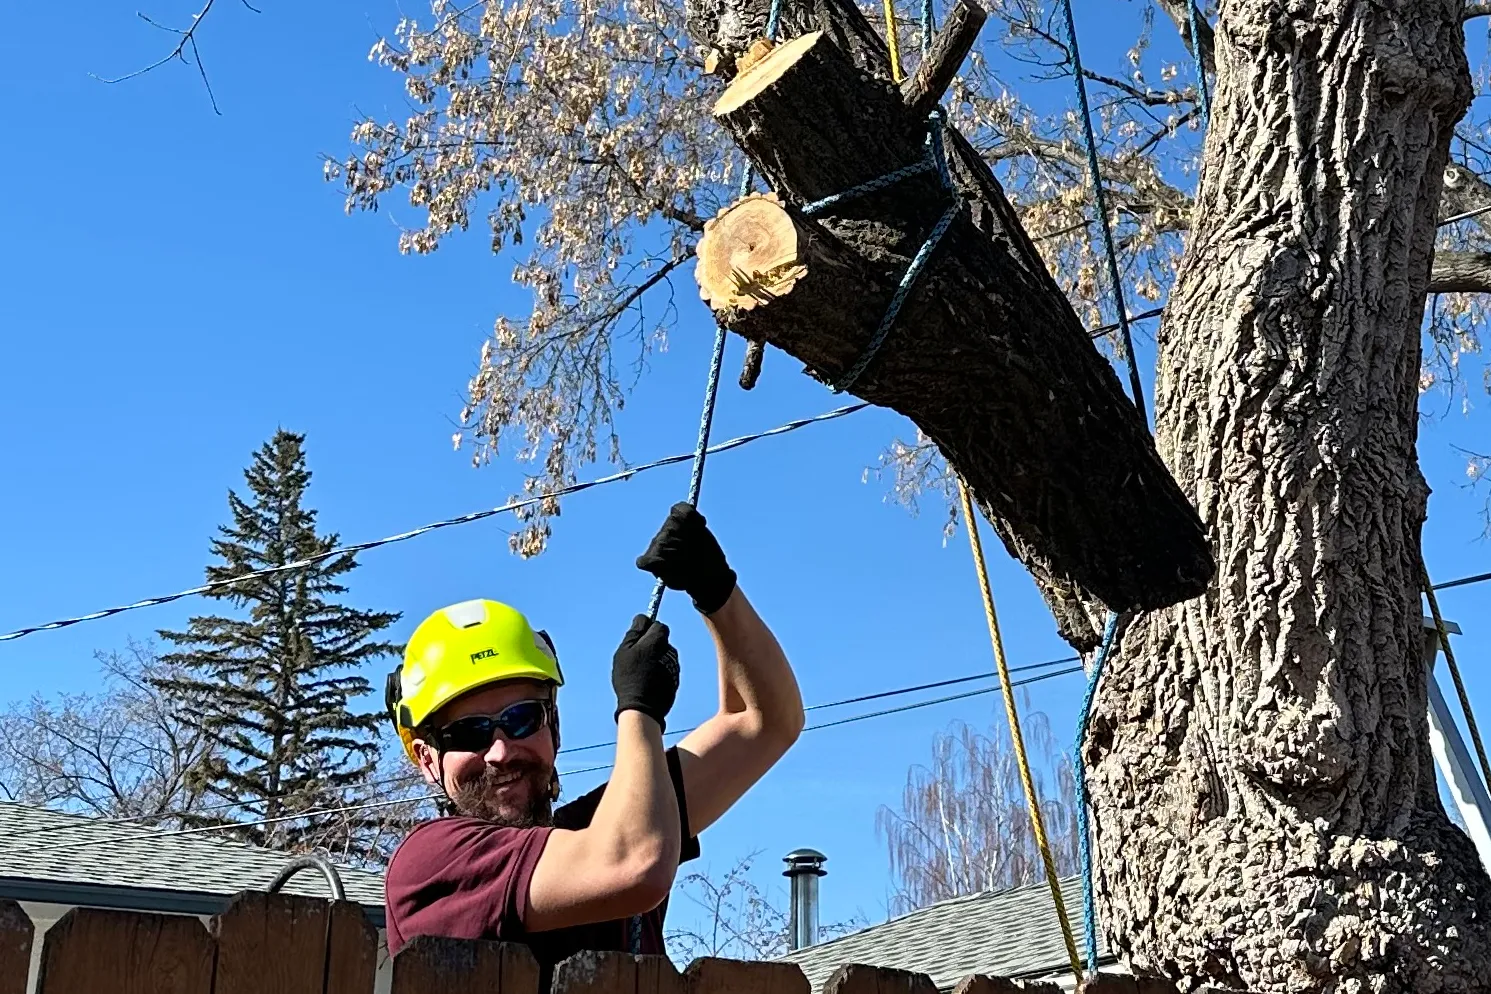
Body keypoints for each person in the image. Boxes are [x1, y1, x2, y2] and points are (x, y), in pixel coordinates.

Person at [381, 502, 804, 974]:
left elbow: (765, 722)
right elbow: (633, 865)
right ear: (426, 758)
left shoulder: (610, 824)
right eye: (469, 733)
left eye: (522, 718)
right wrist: (639, 710)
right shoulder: (430, 865)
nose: (500, 751)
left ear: (554, 727)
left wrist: (715, 589)